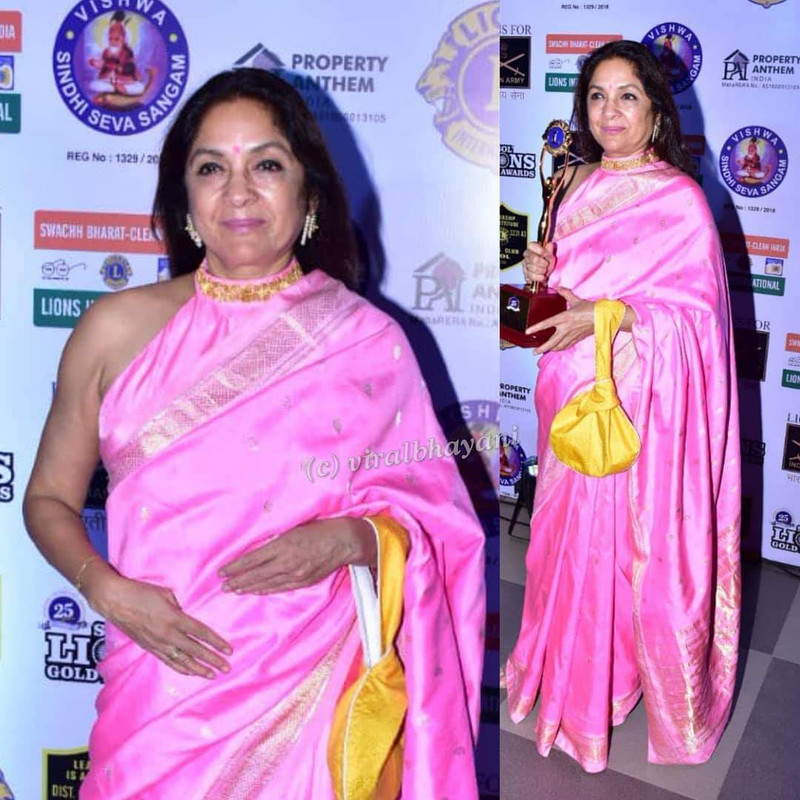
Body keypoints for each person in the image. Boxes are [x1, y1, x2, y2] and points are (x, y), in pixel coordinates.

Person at [24, 68, 485, 798]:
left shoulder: (368, 341)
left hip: (313, 685)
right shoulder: (112, 331)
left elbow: (442, 523)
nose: (238, 193)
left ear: (309, 193)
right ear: (184, 200)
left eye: (266, 165)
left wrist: (354, 540)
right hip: (159, 690)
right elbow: (47, 498)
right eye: (212, 169)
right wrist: (108, 591)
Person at [504, 40, 740, 772]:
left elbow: (696, 319)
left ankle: (598, 695)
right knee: (560, 547)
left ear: (656, 110)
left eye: (627, 96)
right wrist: (542, 268)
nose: (610, 112)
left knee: (613, 556)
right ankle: (559, 670)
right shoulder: (572, 181)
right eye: (597, 96)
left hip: (631, 401)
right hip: (566, 393)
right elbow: (565, 286)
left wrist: (605, 315)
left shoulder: (680, 200)